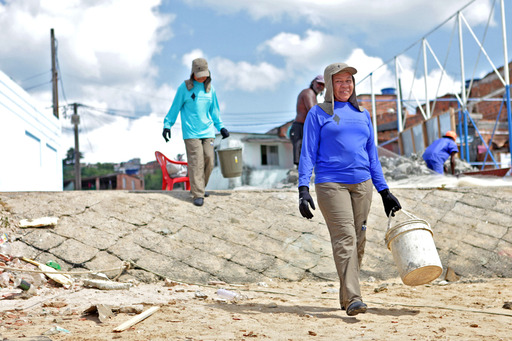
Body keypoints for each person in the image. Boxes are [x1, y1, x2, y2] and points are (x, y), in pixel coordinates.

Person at [297, 62, 401, 316]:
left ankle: (346, 295)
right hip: (331, 184)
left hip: (362, 184)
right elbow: (308, 151)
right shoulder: (319, 113)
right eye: (340, 81)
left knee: (359, 240)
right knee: (345, 238)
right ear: (330, 85)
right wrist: (303, 187)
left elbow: (372, 155)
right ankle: (355, 297)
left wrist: (384, 190)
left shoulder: (363, 114)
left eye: (349, 81)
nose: (345, 85)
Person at [162, 57, 229, 207]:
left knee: (209, 160)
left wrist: (221, 127)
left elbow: (215, 111)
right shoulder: (184, 88)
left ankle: (199, 187)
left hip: (208, 131)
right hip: (191, 133)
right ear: (193, 73)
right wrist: (167, 125)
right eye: (200, 74)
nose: (203, 77)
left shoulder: (210, 89)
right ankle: (198, 193)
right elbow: (175, 108)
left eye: (205, 74)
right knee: (196, 162)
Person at [289, 75, 325, 165]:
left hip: (306, 127)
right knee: (301, 158)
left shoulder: (313, 95)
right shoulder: (308, 92)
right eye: (319, 83)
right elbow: (312, 111)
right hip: (300, 128)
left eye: (323, 85)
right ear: (313, 82)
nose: (320, 86)